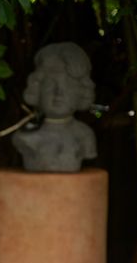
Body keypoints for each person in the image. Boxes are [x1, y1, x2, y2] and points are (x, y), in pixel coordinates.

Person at [11, 42, 97, 173]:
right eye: (50, 84)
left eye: (68, 85)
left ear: (82, 91)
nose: (59, 93)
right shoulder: (25, 136)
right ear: (37, 88)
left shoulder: (85, 136)